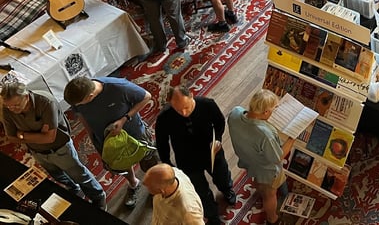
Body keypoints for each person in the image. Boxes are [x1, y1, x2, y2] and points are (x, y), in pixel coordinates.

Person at [0, 82, 106, 209]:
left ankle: (98, 196)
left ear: (26, 97)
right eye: (9, 107)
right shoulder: (7, 108)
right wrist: (38, 135)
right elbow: (11, 137)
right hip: (37, 152)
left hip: (60, 148)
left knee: (79, 174)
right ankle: (74, 189)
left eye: (16, 105)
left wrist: (22, 134)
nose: (13, 109)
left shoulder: (45, 102)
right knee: (57, 175)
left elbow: (50, 137)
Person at [63, 76, 157, 209]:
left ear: (90, 96)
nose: (76, 107)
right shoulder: (77, 98)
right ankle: (133, 183)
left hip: (134, 132)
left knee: (148, 161)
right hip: (107, 140)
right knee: (121, 164)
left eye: (80, 104)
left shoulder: (118, 86)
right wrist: (94, 138)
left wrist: (124, 119)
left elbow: (146, 96)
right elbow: (83, 118)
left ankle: (157, 186)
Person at [155, 86, 235, 225]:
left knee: (222, 174)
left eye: (187, 107)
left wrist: (217, 140)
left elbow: (219, 122)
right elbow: (162, 142)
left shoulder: (207, 104)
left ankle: (227, 190)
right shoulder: (164, 118)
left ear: (192, 96)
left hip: (211, 151)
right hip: (186, 159)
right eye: (178, 110)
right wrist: (167, 163)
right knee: (200, 190)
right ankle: (212, 214)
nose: (184, 112)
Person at [227, 90, 294, 225]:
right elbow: (277, 158)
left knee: (260, 182)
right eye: (273, 109)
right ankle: (272, 219)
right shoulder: (265, 135)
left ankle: (261, 188)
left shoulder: (235, 112)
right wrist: (292, 139)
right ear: (265, 113)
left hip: (248, 160)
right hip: (267, 170)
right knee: (270, 195)